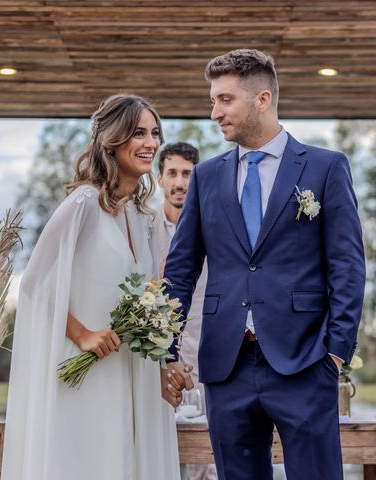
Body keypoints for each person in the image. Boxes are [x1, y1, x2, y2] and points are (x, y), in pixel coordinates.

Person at [164, 49, 366, 480]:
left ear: (263, 99)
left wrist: (336, 352)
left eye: (225, 99)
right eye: (213, 100)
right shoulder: (207, 176)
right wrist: (167, 347)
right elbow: (181, 268)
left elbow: (347, 265)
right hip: (226, 365)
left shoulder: (325, 168)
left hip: (305, 362)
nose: (214, 112)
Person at [1, 94, 190, 480]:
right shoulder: (83, 205)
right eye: (139, 133)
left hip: (135, 371)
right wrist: (83, 334)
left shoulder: (143, 216)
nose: (151, 143)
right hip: (91, 377)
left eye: (155, 133)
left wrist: (165, 367)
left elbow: (153, 302)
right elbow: (36, 286)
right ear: (111, 139)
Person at [153, 142, 218, 480]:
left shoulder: (215, 227)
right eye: (173, 173)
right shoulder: (142, 228)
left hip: (206, 355)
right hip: (152, 360)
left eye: (188, 174)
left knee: (207, 458)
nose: (180, 182)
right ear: (160, 178)